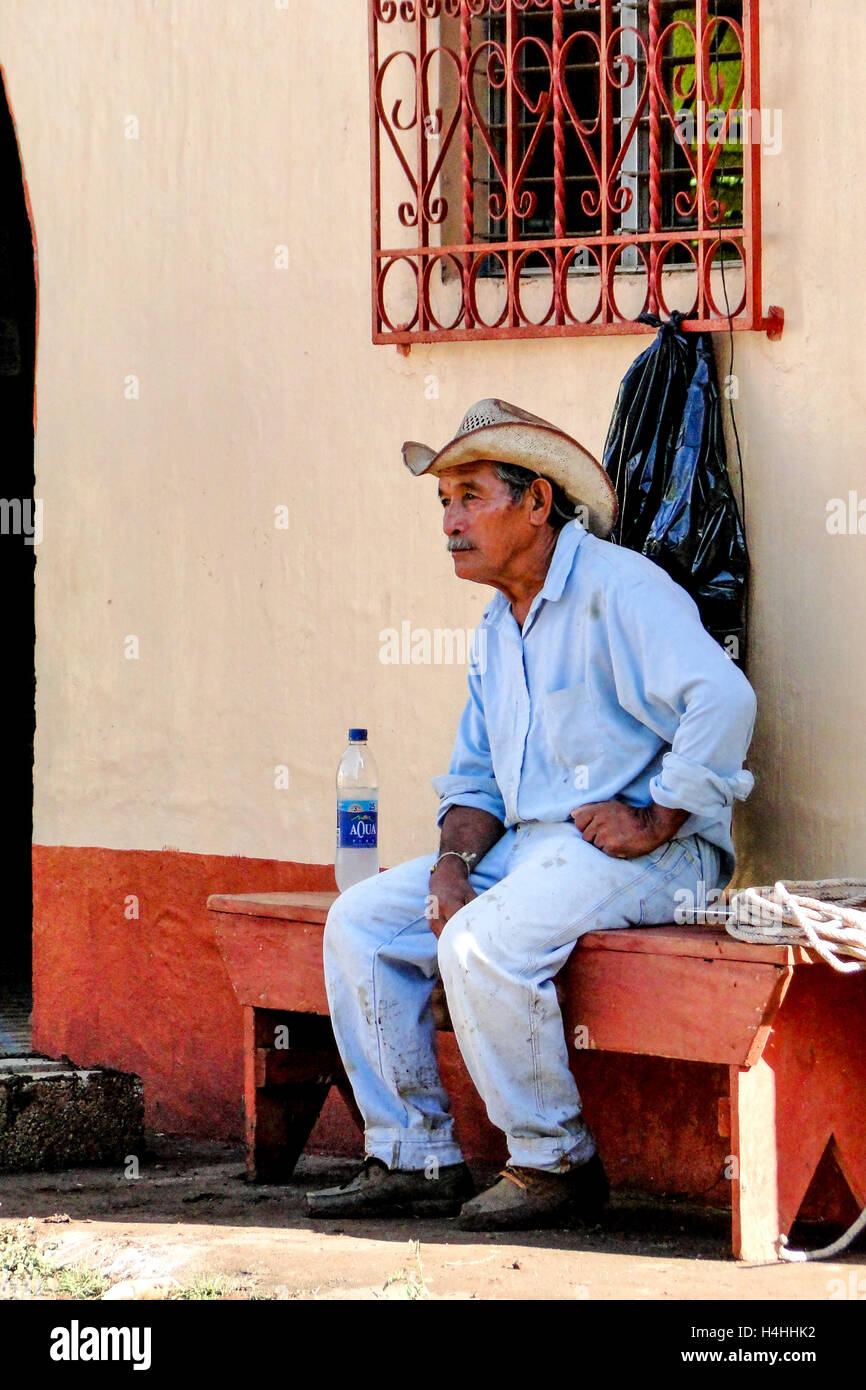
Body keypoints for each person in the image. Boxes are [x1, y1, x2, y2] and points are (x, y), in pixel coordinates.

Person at [306, 398, 757, 1231]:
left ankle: (556, 1163)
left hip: (651, 856)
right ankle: (413, 1154)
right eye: (443, 501)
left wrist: (657, 818)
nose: (449, 521)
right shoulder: (494, 627)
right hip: (534, 851)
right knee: (362, 922)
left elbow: (723, 699)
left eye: (470, 495)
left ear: (538, 501)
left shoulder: (620, 589)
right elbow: (475, 781)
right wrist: (449, 864)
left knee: (481, 943)